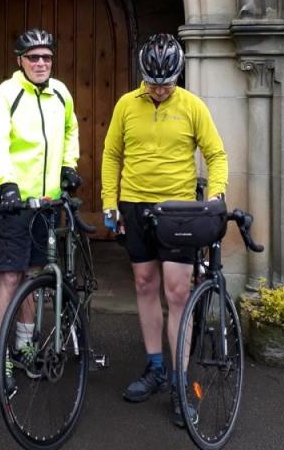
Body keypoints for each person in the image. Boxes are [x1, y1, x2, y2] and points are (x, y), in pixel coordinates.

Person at [101, 33, 228, 427]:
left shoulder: (192, 106)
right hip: (135, 205)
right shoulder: (126, 104)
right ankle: (155, 366)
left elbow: (216, 154)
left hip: (179, 210)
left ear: (178, 75)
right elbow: (112, 153)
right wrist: (110, 201)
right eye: (154, 83)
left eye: (167, 82)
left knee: (177, 292)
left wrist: (216, 196)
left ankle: (179, 380)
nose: (160, 89)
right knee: (143, 283)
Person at [0, 28, 82, 395]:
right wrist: (6, 182)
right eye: (33, 58)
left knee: (33, 276)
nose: (41, 63)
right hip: (15, 203)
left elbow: (71, 130)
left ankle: (25, 347)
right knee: (10, 277)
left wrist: (68, 166)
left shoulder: (61, 93)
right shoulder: (6, 94)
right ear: (19, 60)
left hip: (48, 203)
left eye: (46, 58)